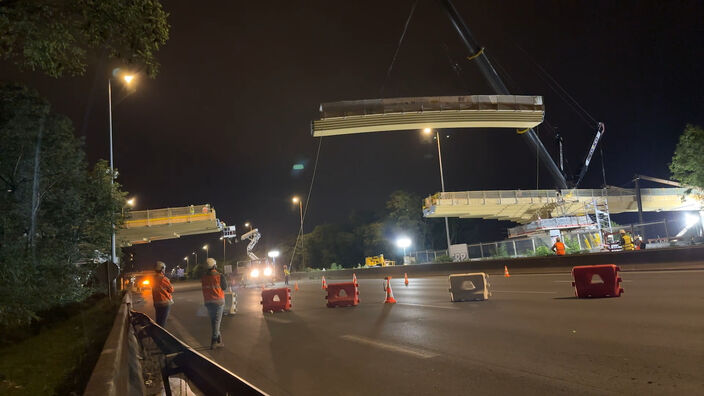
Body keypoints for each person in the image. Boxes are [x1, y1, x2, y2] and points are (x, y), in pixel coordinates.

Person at [201, 258, 227, 349]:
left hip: (208, 302)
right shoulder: (220, 276)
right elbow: (224, 288)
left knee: (214, 322)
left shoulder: (203, 277)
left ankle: (219, 340)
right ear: (214, 266)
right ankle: (214, 342)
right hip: (218, 302)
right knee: (216, 322)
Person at [152, 261, 174, 327]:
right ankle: (159, 336)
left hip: (156, 303)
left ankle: (157, 335)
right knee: (162, 323)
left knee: (158, 322)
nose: (164, 270)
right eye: (164, 268)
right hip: (165, 303)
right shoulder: (163, 279)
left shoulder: (153, 279)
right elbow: (171, 290)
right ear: (161, 269)